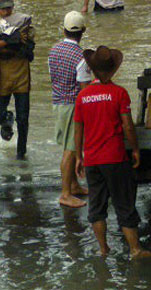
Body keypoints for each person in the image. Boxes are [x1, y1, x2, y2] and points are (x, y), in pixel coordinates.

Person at [74, 46, 151, 259]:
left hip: (92, 160)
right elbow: (128, 126)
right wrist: (135, 149)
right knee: (124, 204)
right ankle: (135, 249)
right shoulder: (119, 93)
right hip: (115, 157)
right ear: (112, 70)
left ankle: (103, 249)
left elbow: (78, 127)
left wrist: (79, 157)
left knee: (96, 207)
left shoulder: (82, 97)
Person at [48, 11, 91, 208]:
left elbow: (54, 78)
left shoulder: (53, 51)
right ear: (82, 31)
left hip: (57, 103)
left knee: (69, 147)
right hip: (73, 106)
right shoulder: (82, 58)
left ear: (63, 30)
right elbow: (84, 91)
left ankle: (74, 186)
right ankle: (65, 194)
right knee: (71, 150)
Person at [0, 0, 35, 160]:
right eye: (4, 8)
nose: (7, 11)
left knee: (23, 120)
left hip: (22, 77)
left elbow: (27, 40)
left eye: (9, 7)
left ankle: (21, 153)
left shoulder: (24, 22)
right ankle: (7, 120)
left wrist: (9, 43)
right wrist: (9, 41)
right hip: (2, 77)